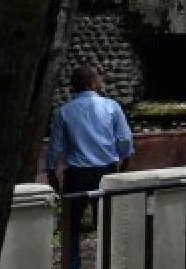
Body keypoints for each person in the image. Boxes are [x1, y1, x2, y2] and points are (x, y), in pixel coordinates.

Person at [47, 65, 134, 269]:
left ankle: (73, 266)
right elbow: (124, 139)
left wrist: (51, 172)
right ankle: (107, 263)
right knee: (106, 225)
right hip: (106, 171)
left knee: (71, 227)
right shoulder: (112, 106)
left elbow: (55, 147)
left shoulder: (64, 112)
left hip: (76, 174)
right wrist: (125, 159)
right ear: (93, 83)